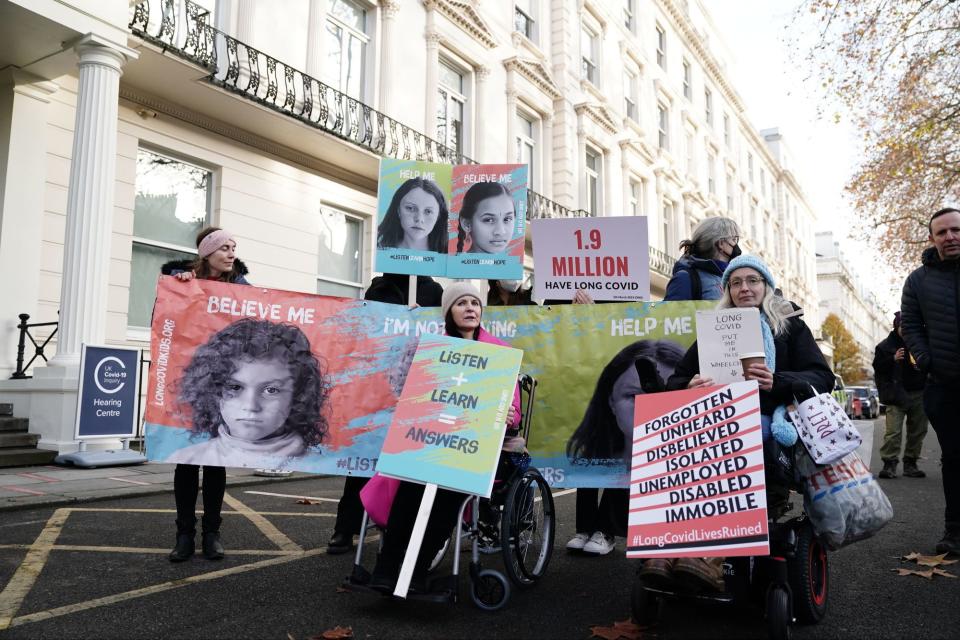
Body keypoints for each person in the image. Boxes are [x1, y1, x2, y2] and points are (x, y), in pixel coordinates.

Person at [651, 255, 834, 592]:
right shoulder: (716, 327)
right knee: (674, 442)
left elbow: (823, 377)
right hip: (714, 419)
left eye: (752, 280)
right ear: (728, 290)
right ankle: (667, 547)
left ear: (766, 286)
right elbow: (675, 381)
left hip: (766, 421)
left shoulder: (789, 325)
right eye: (736, 283)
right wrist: (688, 384)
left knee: (746, 437)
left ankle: (711, 557)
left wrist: (777, 380)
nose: (744, 288)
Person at [365, 282, 522, 593]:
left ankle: (419, 568)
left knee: (450, 496)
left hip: (471, 446)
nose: (470, 309)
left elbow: (513, 408)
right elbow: (413, 393)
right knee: (410, 487)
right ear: (449, 310)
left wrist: (508, 414)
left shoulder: (499, 353)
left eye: (474, 304)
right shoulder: (433, 347)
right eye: (461, 303)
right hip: (430, 441)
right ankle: (386, 567)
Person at [326, 273, 444, 555]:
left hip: (415, 382)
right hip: (378, 385)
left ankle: (397, 531)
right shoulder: (380, 286)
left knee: (404, 464)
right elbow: (369, 327)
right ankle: (345, 528)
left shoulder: (433, 289)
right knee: (363, 461)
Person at [161, 226, 248, 562]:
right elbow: (164, 320)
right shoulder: (180, 281)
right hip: (187, 380)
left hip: (223, 383)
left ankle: (212, 533)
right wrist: (178, 285)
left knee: (214, 461)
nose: (230, 253)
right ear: (206, 253)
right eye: (224, 247)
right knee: (185, 460)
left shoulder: (242, 288)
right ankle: (184, 535)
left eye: (233, 247)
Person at [565, 340, 685, 555]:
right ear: (612, 399)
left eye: (662, 392)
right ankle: (586, 529)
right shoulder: (598, 445)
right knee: (594, 466)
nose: (647, 404)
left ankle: (605, 531)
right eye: (633, 395)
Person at [168, 319, 330, 468]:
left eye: (271, 390)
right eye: (235, 387)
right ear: (212, 391)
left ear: (298, 396)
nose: (251, 406)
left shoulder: (320, 465)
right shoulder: (187, 458)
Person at [900, 206, 960, 555]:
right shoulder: (918, 280)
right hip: (943, 384)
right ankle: (954, 531)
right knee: (954, 457)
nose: (950, 237)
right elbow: (911, 325)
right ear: (932, 238)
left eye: (955, 230)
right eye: (942, 232)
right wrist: (926, 360)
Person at [873, 311, 928, 479]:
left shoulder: (921, 343)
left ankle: (910, 463)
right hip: (896, 394)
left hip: (919, 392)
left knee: (918, 430)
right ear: (896, 326)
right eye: (904, 326)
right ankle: (889, 464)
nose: (907, 330)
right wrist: (892, 359)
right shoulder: (885, 346)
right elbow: (878, 368)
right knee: (893, 431)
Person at [665, 217, 742, 301]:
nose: (736, 245)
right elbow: (672, 313)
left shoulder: (729, 278)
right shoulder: (685, 278)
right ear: (721, 243)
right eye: (734, 239)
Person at [377, 177, 449, 253]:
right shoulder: (379, 251)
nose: (419, 218)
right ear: (398, 210)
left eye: (428, 211)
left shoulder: (449, 258)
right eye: (410, 208)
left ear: (438, 216)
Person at [455, 182, 516, 254]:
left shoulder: (513, 263)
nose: (501, 231)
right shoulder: (456, 263)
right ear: (467, 224)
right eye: (489, 220)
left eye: (507, 219)